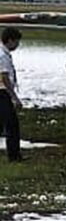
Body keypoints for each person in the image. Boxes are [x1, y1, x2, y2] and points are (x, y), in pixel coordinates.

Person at [0, 28, 23, 161]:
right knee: (12, 125)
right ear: (10, 40)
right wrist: (14, 97)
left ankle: (14, 155)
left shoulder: (3, 52)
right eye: (16, 42)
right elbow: (4, 77)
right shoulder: (3, 56)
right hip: (2, 92)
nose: (17, 45)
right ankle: (14, 156)